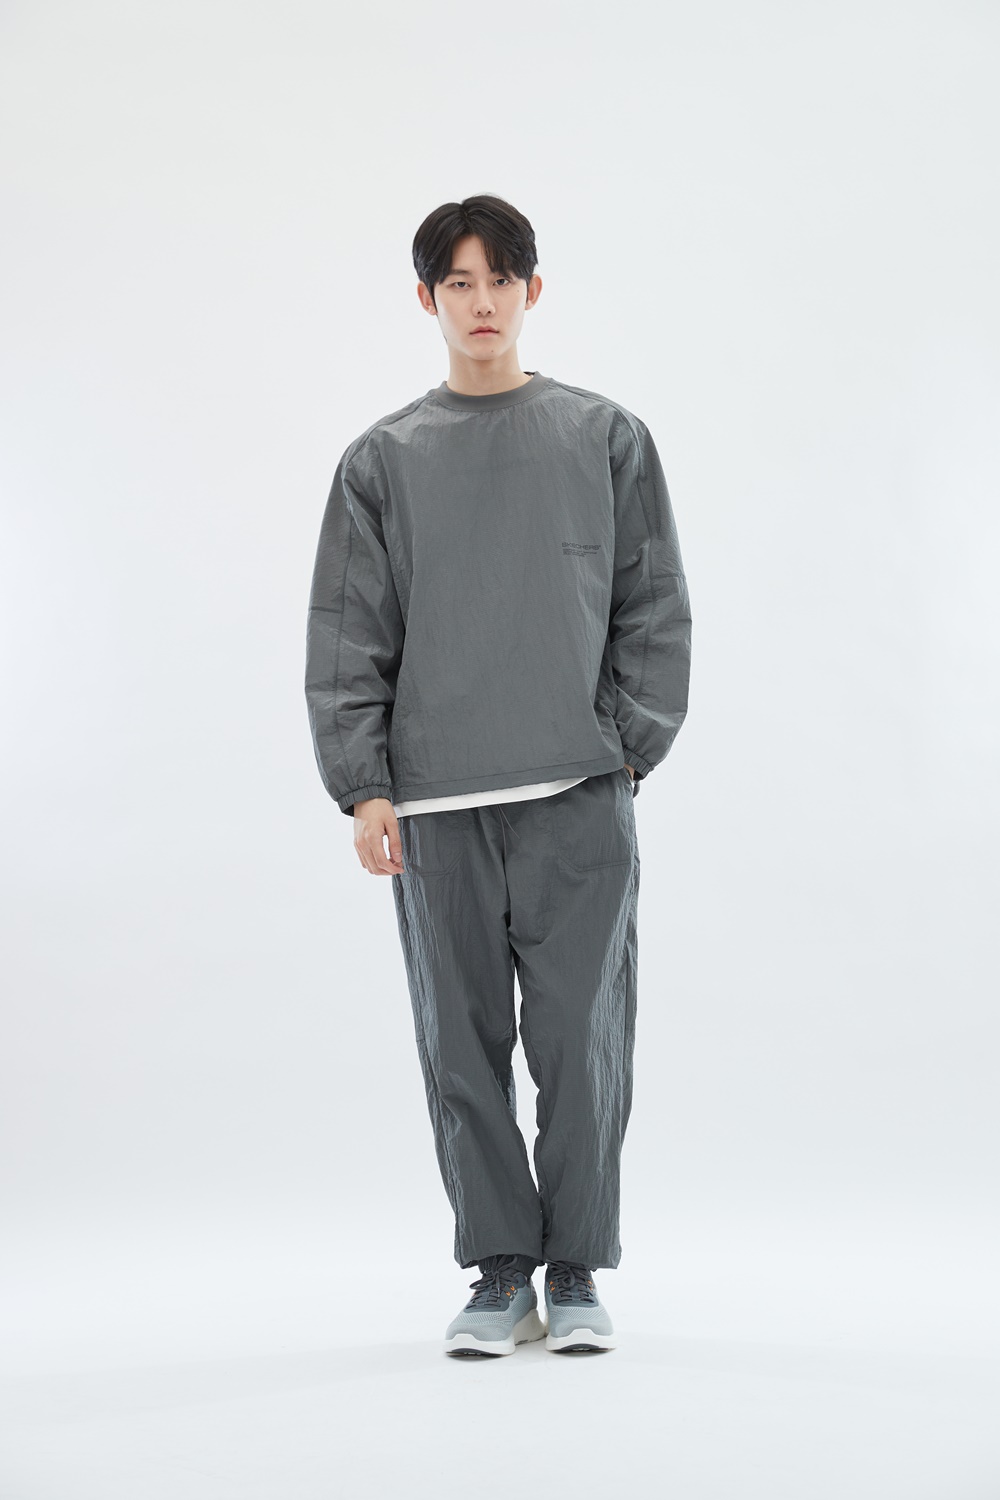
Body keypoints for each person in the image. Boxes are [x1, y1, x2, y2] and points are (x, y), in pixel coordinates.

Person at [305, 194, 692, 1357]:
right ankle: (499, 1271)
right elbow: (351, 633)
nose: (482, 303)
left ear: (534, 290)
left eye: (501, 280)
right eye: (459, 283)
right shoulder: (382, 462)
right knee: (461, 1047)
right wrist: (365, 784)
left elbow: (652, 602)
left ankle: (574, 1269)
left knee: (581, 1040)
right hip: (436, 805)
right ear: (426, 299)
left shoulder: (604, 437)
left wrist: (625, 745)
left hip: (577, 792)